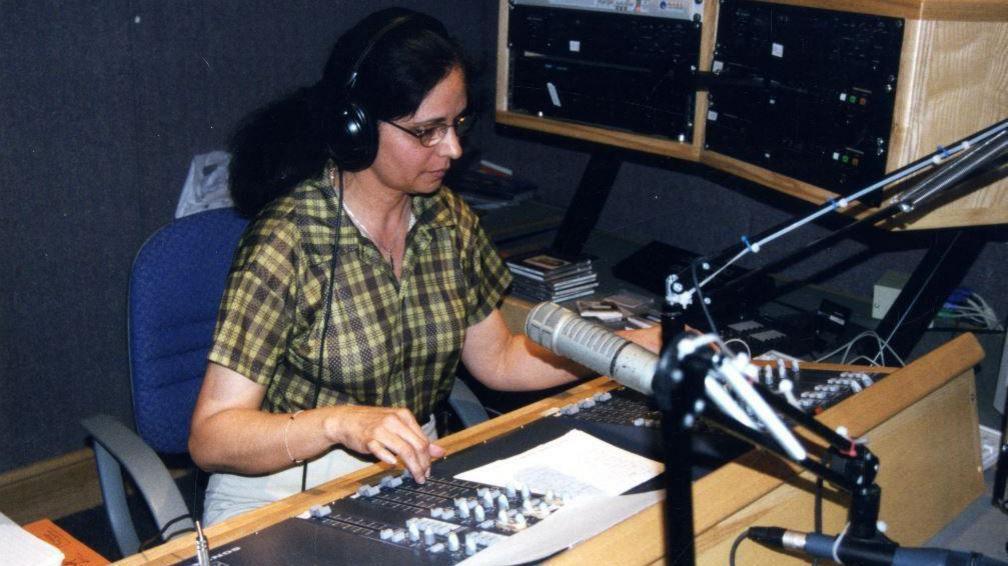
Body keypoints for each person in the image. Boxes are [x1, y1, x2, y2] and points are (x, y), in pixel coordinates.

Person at [188, 7, 661, 526]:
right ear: (357, 127)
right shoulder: (288, 239)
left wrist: (628, 351)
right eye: (426, 131)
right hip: (281, 489)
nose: (453, 149)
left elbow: (499, 360)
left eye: (457, 124)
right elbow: (212, 437)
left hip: (408, 473)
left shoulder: (448, 220)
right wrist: (339, 423)